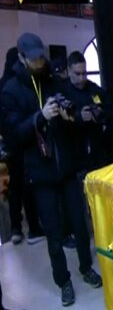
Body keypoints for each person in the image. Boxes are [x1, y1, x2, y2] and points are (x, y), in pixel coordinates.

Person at [0, 33, 102, 306]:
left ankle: (84, 267)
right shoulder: (11, 90)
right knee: (54, 233)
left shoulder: (53, 80)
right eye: (33, 59)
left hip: (67, 166)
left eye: (41, 57)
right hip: (41, 172)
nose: (39, 62)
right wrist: (39, 117)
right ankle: (63, 281)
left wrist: (74, 115)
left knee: (80, 225)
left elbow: (71, 115)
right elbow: (13, 134)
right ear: (22, 58)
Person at [0, 47, 44, 245]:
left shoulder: (4, 85)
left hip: (10, 144)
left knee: (15, 187)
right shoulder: (16, 86)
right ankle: (33, 227)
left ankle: (16, 228)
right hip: (22, 142)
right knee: (26, 185)